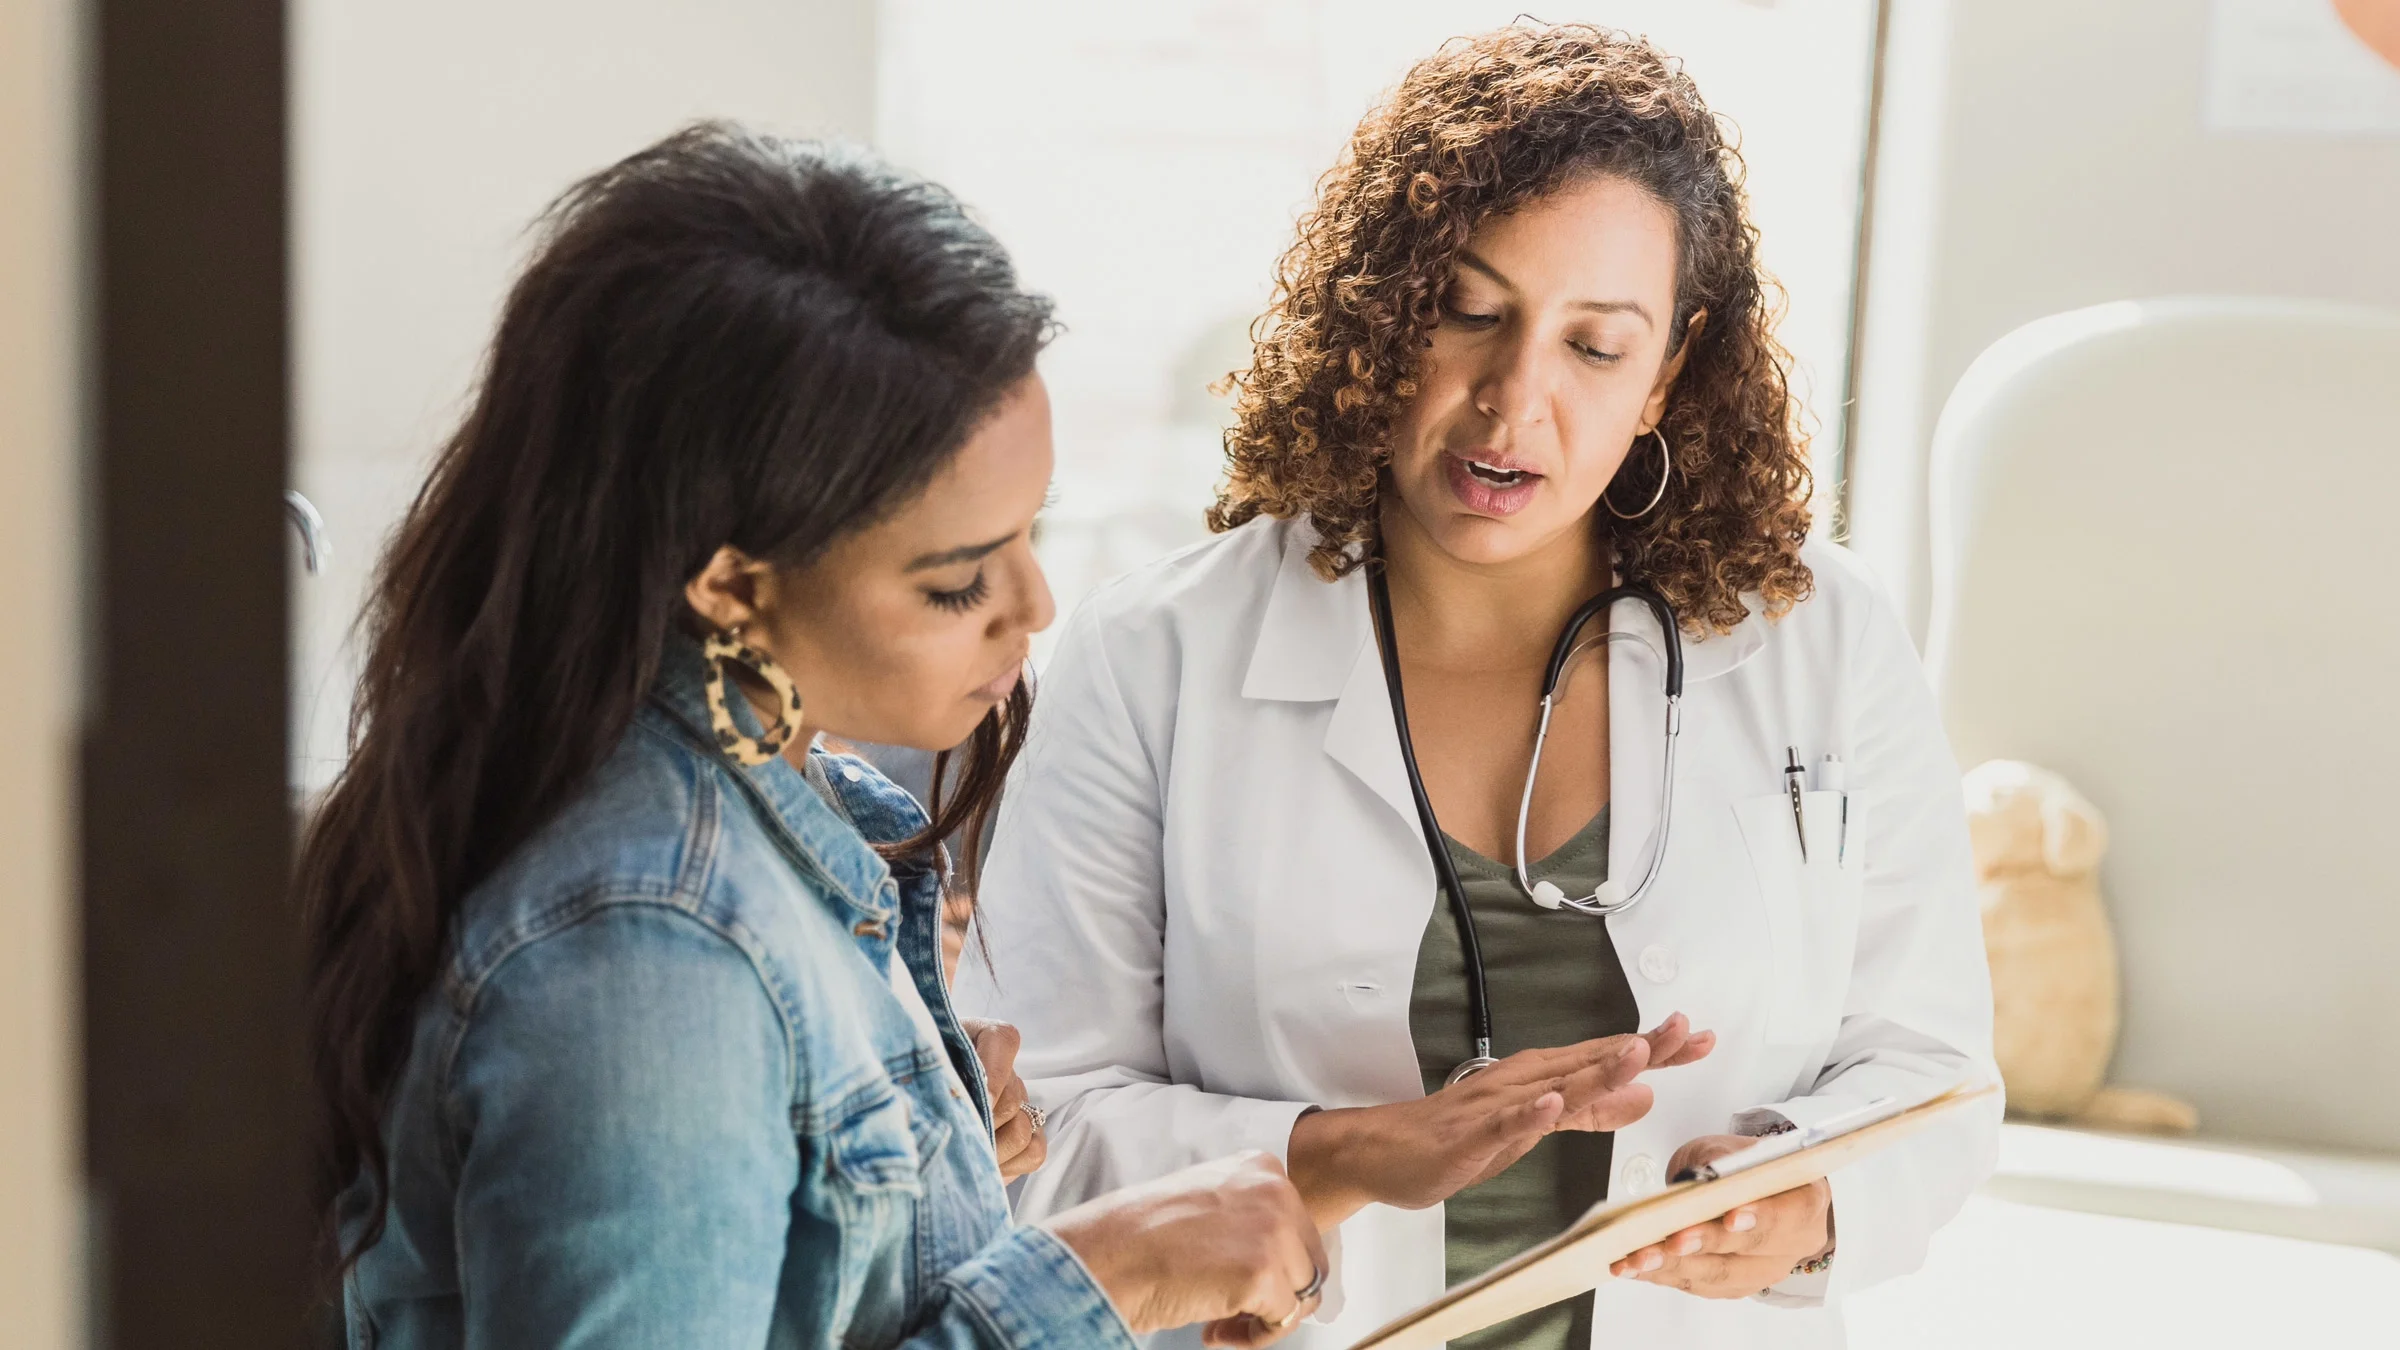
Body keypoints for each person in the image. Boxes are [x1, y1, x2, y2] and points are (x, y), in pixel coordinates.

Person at [956, 26, 2000, 1350]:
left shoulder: (1821, 637)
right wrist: (1338, 1151)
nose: (1517, 401)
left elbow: (1939, 1077)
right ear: (1385, 312)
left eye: (1595, 347)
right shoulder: (1154, 653)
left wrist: (1801, 1203)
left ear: (1668, 372)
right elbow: (1025, 1128)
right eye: (1472, 311)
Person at [296, 123, 1332, 1349]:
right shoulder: (651, 955)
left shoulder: (783, 812)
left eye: (1030, 533)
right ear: (731, 586)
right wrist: (1096, 1283)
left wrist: (934, 1183)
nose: (1034, 609)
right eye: (956, 582)